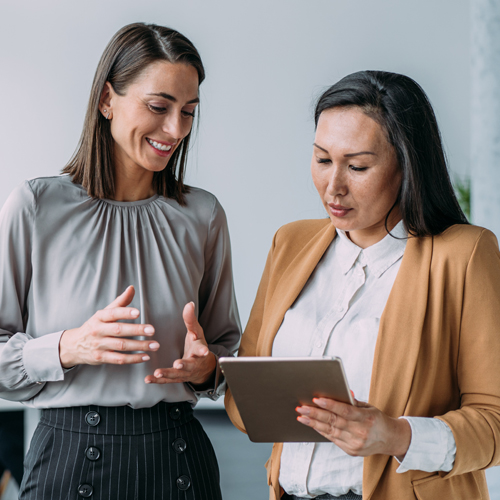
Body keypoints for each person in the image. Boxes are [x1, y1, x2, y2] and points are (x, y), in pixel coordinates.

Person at [225, 70, 500, 500]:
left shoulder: (464, 255)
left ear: (407, 165)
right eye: (321, 159)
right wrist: (211, 372)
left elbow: (495, 421)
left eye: (357, 167)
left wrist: (397, 436)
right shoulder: (290, 243)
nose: (333, 187)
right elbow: (247, 409)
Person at [0, 22, 241, 500]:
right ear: (107, 99)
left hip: (179, 459)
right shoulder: (36, 206)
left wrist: (209, 369)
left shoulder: (203, 215)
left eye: (189, 111)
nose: (175, 129)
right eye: (159, 107)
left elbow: (230, 355)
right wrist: (68, 346)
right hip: (69, 460)